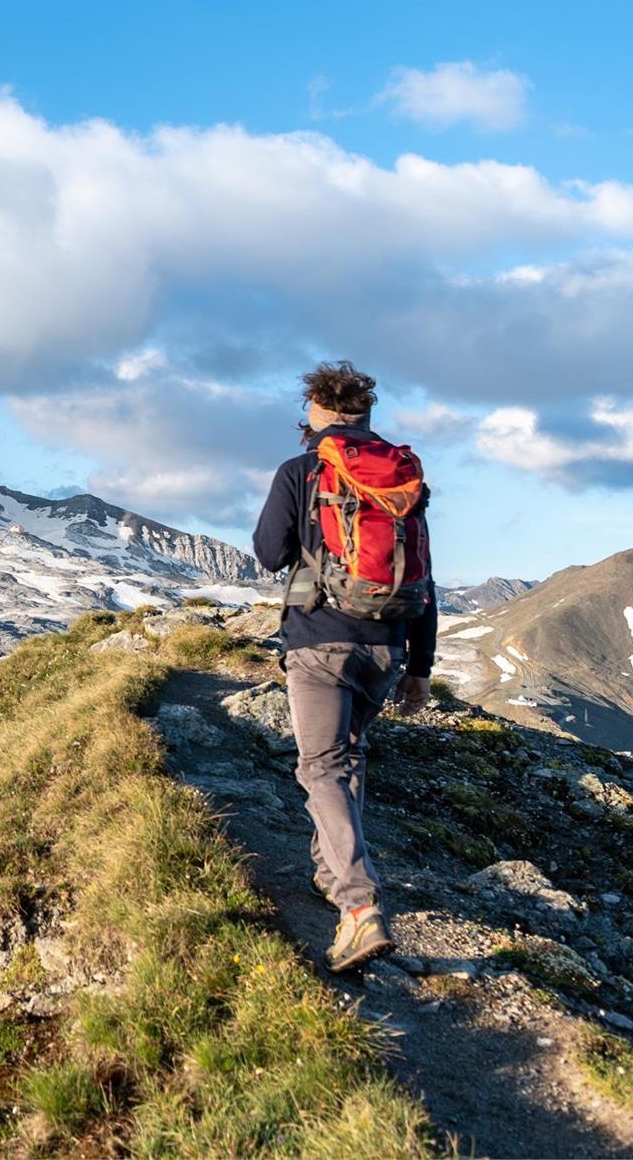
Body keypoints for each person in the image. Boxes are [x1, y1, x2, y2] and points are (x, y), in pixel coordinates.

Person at [252, 360, 437, 973]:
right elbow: (425, 577)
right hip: (388, 644)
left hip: (320, 640)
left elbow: (269, 552)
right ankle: (332, 877)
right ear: (366, 417)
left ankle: (358, 908)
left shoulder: (302, 470)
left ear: (315, 418)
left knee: (322, 766)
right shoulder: (402, 479)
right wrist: (420, 668)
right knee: (347, 757)